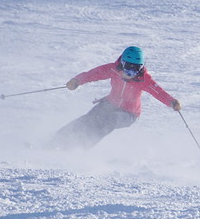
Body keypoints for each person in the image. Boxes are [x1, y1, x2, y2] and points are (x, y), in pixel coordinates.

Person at [49, 46, 182, 150]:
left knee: (109, 121)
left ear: (141, 68)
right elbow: (93, 74)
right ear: (122, 63)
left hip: (129, 114)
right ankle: (54, 141)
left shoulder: (144, 80)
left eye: (135, 69)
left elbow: (158, 92)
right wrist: (77, 81)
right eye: (128, 67)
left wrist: (172, 102)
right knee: (87, 120)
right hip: (109, 104)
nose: (130, 73)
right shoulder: (113, 69)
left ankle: (79, 147)